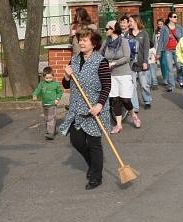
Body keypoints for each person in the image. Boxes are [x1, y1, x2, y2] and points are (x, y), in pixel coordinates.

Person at [59, 27, 112, 190]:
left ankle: (96, 176)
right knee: (77, 141)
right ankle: (92, 164)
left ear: (94, 43)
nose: (81, 42)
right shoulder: (74, 60)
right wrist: (67, 76)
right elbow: (66, 84)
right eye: (80, 40)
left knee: (95, 144)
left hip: (94, 110)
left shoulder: (100, 61)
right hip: (76, 109)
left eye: (85, 40)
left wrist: (99, 105)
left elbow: (106, 86)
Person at [101, 20, 138, 132]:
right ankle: (118, 125)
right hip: (111, 75)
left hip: (124, 73)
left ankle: (133, 115)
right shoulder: (106, 42)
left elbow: (127, 57)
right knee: (115, 99)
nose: (105, 30)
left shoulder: (124, 41)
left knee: (125, 99)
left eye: (107, 29)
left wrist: (114, 63)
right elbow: (100, 54)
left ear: (113, 29)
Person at [128, 14, 152, 110]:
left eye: (131, 21)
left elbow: (146, 49)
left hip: (142, 63)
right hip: (131, 65)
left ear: (136, 22)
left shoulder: (144, 34)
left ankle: (147, 100)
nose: (129, 23)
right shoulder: (127, 35)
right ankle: (135, 106)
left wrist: (145, 61)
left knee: (144, 84)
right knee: (132, 86)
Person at [32, 66, 63, 140]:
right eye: (47, 78)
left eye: (50, 78)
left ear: (53, 76)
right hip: (45, 104)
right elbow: (38, 90)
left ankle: (50, 133)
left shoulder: (56, 84)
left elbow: (60, 92)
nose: (48, 80)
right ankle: (53, 130)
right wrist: (35, 95)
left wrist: (57, 99)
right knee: (47, 118)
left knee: (51, 118)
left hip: (52, 104)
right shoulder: (42, 84)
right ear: (43, 77)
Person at [156, 11, 183, 91]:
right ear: (170, 18)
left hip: (177, 50)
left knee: (179, 67)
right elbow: (160, 41)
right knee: (170, 69)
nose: (176, 18)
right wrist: (158, 53)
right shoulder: (164, 28)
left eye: (176, 17)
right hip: (167, 50)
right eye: (174, 17)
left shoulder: (179, 27)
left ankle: (180, 80)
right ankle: (171, 86)